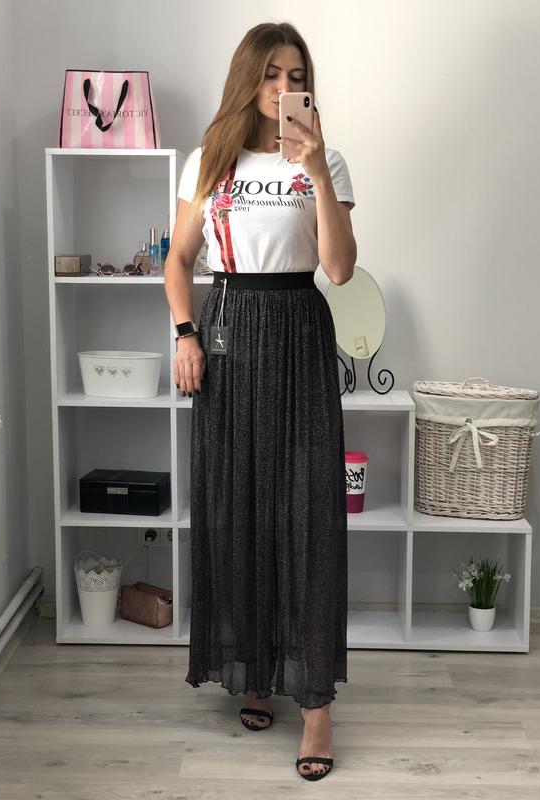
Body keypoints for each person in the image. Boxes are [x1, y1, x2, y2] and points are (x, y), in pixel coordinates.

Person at [164, 21, 356, 781]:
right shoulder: (208, 161)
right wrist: (185, 334)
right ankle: (252, 670)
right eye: (271, 73)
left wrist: (316, 173)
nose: (283, 88)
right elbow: (180, 260)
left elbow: (339, 269)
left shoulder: (325, 161)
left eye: (295, 76)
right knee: (237, 504)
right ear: (248, 79)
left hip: (299, 327)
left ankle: (316, 705)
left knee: (307, 512)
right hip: (227, 331)